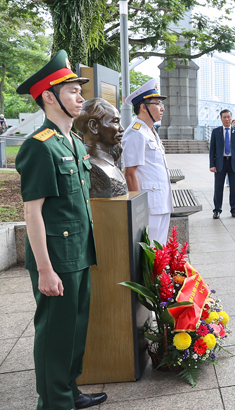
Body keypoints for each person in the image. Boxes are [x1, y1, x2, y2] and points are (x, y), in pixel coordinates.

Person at [15, 49, 107, 410]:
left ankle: (69, 391)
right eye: (72, 91)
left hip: (80, 253)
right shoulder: (40, 147)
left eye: (79, 90)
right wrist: (44, 270)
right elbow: (32, 212)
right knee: (55, 334)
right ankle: (54, 401)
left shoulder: (71, 142)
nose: (80, 97)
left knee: (75, 329)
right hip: (57, 259)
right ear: (50, 97)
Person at [122, 78, 173, 245]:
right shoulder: (135, 133)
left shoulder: (149, 131)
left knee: (160, 251)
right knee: (150, 251)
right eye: (157, 103)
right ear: (143, 107)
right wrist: (138, 210)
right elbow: (130, 174)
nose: (162, 108)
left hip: (161, 201)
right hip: (149, 205)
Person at [209, 109, 235, 219]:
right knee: (218, 188)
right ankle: (217, 210)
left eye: (228, 117)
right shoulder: (216, 131)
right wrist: (212, 165)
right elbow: (212, 150)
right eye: (224, 117)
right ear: (221, 119)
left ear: (231, 117)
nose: (227, 119)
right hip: (221, 163)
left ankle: (234, 210)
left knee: (234, 188)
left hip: (234, 163)